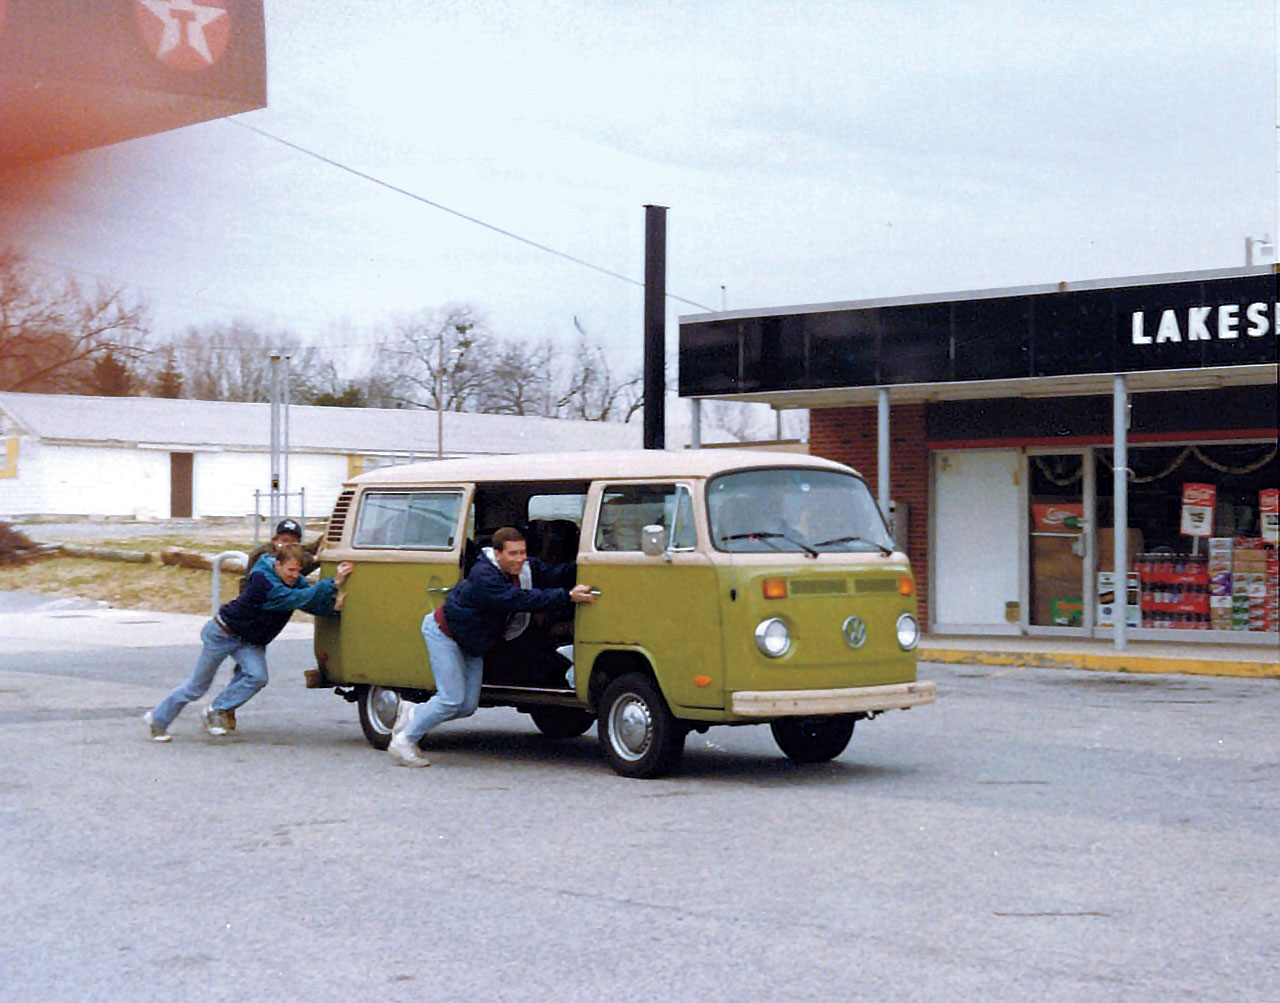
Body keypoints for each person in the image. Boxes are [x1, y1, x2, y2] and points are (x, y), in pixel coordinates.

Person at [387, 526, 596, 767]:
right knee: (450, 699)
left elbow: (552, 573)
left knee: (467, 706)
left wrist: (588, 567)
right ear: (497, 554)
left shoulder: (525, 567)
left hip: (474, 641)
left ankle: (413, 713)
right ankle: (403, 742)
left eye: (522, 552)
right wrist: (567, 596)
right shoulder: (484, 576)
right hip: (445, 634)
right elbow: (518, 599)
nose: (520, 559)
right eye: (513, 554)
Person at [144, 543, 353, 742]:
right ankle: (158, 720)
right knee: (197, 686)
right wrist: (332, 582)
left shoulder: (291, 580)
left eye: (298, 571)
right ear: (277, 564)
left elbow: (308, 599)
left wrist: (333, 606)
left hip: (250, 640)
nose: (294, 576)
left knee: (257, 676)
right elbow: (297, 599)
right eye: (290, 570)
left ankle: (215, 710)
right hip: (222, 633)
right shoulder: (263, 582)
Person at [225, 517, 319, 730]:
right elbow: (250, 586)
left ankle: (226, 705)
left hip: (270, 622)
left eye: (293, 542)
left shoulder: (294, 558)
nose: (287, 545)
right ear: (275, 539)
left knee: (250, 668)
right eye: (284, 540)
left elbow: (308, 558)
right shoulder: (263, 557)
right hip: (253, 618)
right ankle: (225, 708)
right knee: (247, 669)